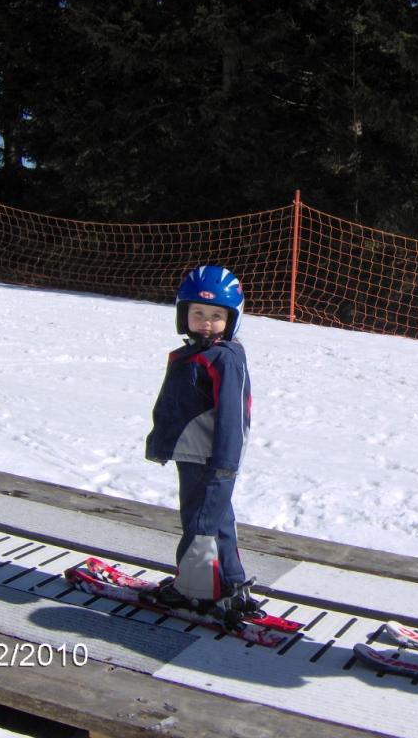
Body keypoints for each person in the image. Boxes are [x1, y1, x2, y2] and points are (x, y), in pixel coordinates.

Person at [142, 265, 258, 625]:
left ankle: (195, 591)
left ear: (231, 319)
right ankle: (231, 585)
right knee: (217, 519)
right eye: (198, 313)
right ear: (184, 314)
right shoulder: (195, 354)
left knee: (200, 523)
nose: (206, 322)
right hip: (195, 456)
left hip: (211, 459)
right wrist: (161, 443)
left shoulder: (224, 358)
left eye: (216, 316)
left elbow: (231, 417)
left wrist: (225, 464)